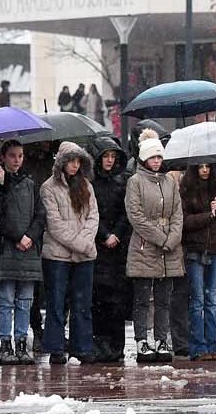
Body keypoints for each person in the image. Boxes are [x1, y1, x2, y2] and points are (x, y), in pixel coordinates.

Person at [41, 142, 99, 364]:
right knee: (56, 303)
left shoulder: (86, 186)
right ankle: (56, 348)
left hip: (84, 255)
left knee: (82, 304)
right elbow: (54, 225)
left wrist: (84, 242)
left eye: (78, 161)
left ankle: (82, 348)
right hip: (57, 255)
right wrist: (81, 244)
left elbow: (93, 216)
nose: (75, 165)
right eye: (71, 161)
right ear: (62, 163)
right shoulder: (48, 187)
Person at [126, 136, 182, 364]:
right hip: (144, 246)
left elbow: (177, 213)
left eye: (159, 157)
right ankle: (142, 340)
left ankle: (161, 339)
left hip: (169, 248)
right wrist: (160, 238)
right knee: (142, 298)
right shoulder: (135, 182)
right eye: (152, 157)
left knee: (163, 300)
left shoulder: (170, 182)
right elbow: (135, 215)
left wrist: (172, 238)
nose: (157, 161)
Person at [0, 139, 44, 365]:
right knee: (6, 300)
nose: (17, 160)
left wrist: (30, 236)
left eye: (20, 156)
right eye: (12, 155)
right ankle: (6, 343)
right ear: (3, 157)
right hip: (6, 249)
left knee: (25, 300)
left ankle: (22, 342)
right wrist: (17, 236)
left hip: (28, 250)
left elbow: (40, 215)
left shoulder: (31, 184)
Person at [182, 161, 216, 362]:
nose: (204, 170)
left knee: (212, 299)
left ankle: (213, 344)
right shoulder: (187, 188)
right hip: (195, 249)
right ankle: (198, 346)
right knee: (197, 301)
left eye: (207, 166)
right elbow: (184, 222)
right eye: (200, 166)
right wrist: (208, 216)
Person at [89, 139, 132, 362]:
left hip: (117, 249)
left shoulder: (121, 182)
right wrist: (105, 235)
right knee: (98, 299)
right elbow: (91, 213)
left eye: (112, 157)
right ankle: (100, 343)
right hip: (98, 246)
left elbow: (126, 212)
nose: (109, 161)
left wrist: (116, 234)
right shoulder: (91, 184)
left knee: (116, 300)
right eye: (105, 156)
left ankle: (116, 345)